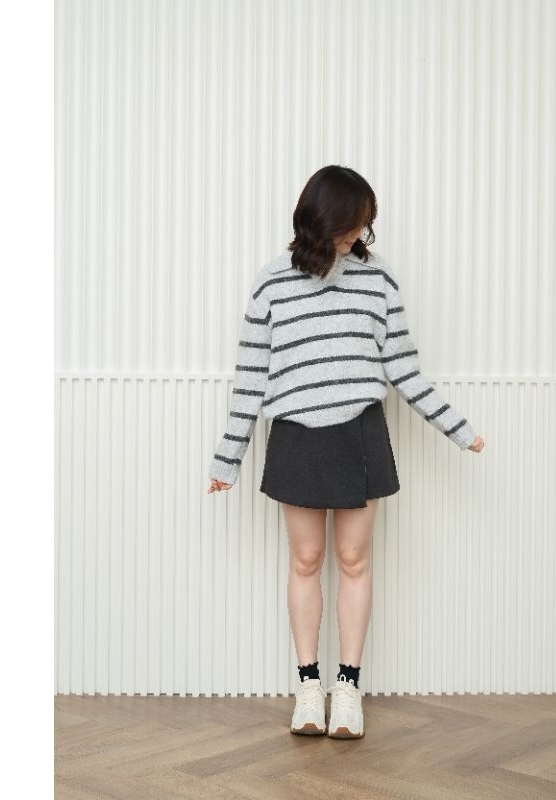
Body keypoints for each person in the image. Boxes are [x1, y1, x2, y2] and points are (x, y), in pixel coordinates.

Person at [207, 165, 484, 739]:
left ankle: (348, 689)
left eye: (364, 223)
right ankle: (309, 689)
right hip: (296, 434)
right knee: (305, 561)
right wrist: (227, 459)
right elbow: (251, 378)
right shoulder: (271, 283)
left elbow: (403, 369)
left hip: (359, 431)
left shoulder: (378, 279)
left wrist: (459, 430)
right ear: (321, 219)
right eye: (352, 222)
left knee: (354, 561)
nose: (359, 233)